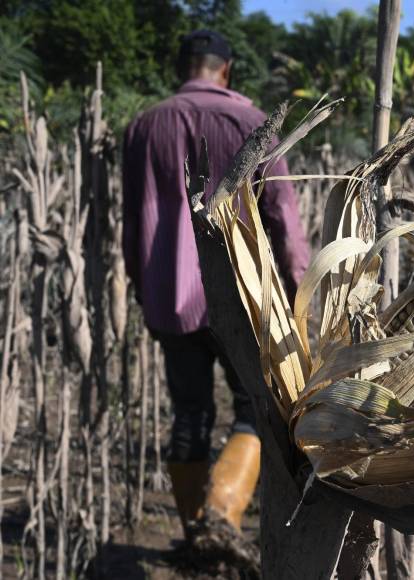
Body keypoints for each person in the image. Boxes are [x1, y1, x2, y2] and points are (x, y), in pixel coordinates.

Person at [122, 30, 309, 543]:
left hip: (169, 298)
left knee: (190, 412)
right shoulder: (253, 123)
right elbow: (285, 223)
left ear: (181, 66)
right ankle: (224, 517)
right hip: (242, 299)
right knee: (254, 408)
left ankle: (192, 531)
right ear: (227, 70)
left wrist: (143, 287)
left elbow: (132, 222)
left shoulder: (144, 125)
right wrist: (299, 294)